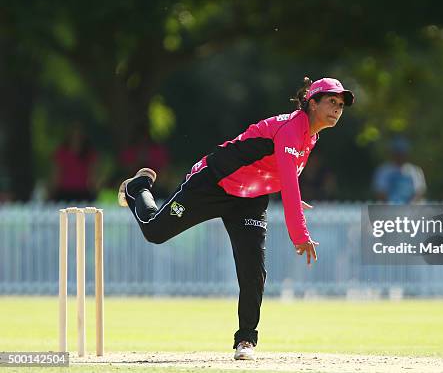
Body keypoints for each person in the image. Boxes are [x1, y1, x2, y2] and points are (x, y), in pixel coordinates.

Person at [117, 77, 354, 360]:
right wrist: (300, 235)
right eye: (331, 101)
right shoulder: (292, 129)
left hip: (250, 199)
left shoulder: (310, 136)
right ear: (312, 103)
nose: (337, 109)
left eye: (340, 104)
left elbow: (276, 169)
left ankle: (246, 340)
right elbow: (289, 182)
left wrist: (282, 189)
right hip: (214, 183)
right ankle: (138, 188)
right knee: (154, 231)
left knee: (253, 270)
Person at [51, 124, 98, 202]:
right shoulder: (62, 152)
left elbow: (93, 174)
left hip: (83, 192)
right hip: (64, 192)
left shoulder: (89, 153)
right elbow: (56, 173)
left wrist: (94, 190)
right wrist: (52, 190)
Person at [372, 137, 426, 203]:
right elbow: (380, 191)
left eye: (402, 153)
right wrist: (391, 206)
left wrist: (410, 206)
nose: (400, 155)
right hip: (388, 209)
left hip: (411, 210)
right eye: (397, 152)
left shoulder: (415, 170)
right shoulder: (383, 171)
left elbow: (419, 191)